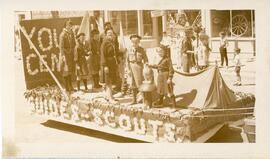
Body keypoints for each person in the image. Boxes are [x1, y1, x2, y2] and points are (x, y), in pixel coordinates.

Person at [126, 34, 148, 105]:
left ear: (139, 42)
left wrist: (145, 67)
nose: (134, 44)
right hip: (131, 66)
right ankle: (134, 99)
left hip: (138, 67)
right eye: (133, 42)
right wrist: (128, 69)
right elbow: (127, 60)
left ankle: (144, 100)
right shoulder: (129, 49)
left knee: (139, 83)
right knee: (132, 84)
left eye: (136, 42)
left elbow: (146, 59)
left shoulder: (141, 49)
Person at [100, 28, 119, 102]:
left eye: (111, 33)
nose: (110, 34)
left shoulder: (112, 42)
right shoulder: (104, 43)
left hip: (112, 64)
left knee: (111, 82)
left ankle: (109, 96)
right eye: (108, 33)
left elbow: (114, 53)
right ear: (106, 35)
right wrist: (105, 66)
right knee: (108, 82)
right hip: (107, 64)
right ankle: (110, 98)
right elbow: (102, 55)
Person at [59, 19, 76, 92]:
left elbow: (74, 43)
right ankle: (66, 87)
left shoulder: (71, 33)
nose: (70, 26)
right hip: (65, 55)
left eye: (71, 25)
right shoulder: (62, 34)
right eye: (68, 25)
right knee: (65, 71)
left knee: (70, 71)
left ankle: (71, 86)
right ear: (66, 26)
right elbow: (61, 47)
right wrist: (63, 56)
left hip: (71, 55)